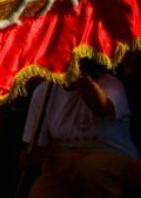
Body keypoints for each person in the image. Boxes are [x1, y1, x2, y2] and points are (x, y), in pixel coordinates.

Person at [22, 62, 141, 197]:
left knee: (92, 169)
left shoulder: (111, 83)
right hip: (66, 167)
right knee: (42, 190)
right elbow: (39, 147)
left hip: (115, 160)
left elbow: (101, 108)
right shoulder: (43, 93)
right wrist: (31, 157)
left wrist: (79, 77)